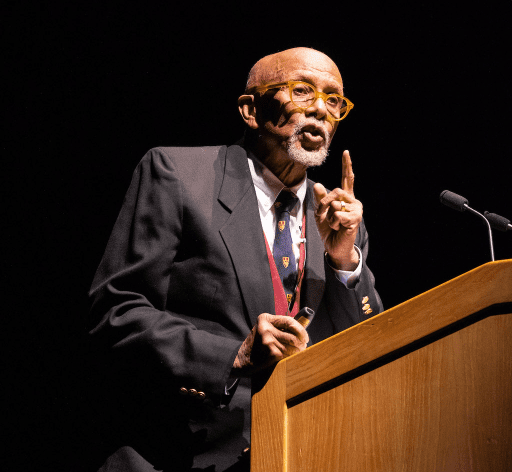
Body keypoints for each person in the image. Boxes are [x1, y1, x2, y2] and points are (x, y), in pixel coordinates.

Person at [87, 47, 382, 471]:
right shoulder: (177, 174)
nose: (320, 109)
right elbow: (115, 311)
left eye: (334, 100)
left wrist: (344, 262)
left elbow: (368, 348)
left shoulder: (336, 218)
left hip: (304, 449)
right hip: (181, 452)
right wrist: (233, 355)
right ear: (250, 109)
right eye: (301, 91)